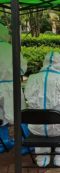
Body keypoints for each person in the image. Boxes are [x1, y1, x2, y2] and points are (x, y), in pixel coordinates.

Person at [25, 51, 60, 167]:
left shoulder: (31, 79)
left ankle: (42, 157)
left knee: (40, 128)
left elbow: (27, 97)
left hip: (36, 126)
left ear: (44, 63)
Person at [0, 24, 28, 153]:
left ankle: (3, 143)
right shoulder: (11, 48)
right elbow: (22, 67)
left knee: (0, 116)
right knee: (19, 114)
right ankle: (25, 142)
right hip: (11, 86)